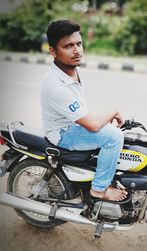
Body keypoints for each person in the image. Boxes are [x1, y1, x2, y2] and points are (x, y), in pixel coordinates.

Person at [41, 19, 127, 201]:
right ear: (53, 51)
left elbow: (84, 114)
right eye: (68, 46)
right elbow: (94, 125)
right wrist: (113, 111)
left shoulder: (70, 70)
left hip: (72, 124)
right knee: (114, 137)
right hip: (63, 133)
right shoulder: (57, 86)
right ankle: (99, 190)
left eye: (79, 44)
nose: (77, 50)